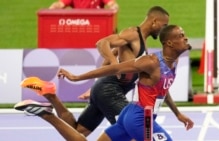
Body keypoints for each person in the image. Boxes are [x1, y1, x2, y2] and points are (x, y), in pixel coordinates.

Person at [15, 24, 194, 141]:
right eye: (181, 35)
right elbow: (115, 69)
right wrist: (77, 77)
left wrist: (177, 113)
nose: (186, 38)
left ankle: (48, 115)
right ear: (169, 42)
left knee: (82, 133)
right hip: (139, 117)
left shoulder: (173, 62)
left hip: (131, 115)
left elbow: (163, 89)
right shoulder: (151, 61)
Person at [49, 0, 119, 10]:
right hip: (79, 25)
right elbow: (60, 4)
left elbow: (112, 4)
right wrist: (55, 6)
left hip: (97, 24)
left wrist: (113, 6)